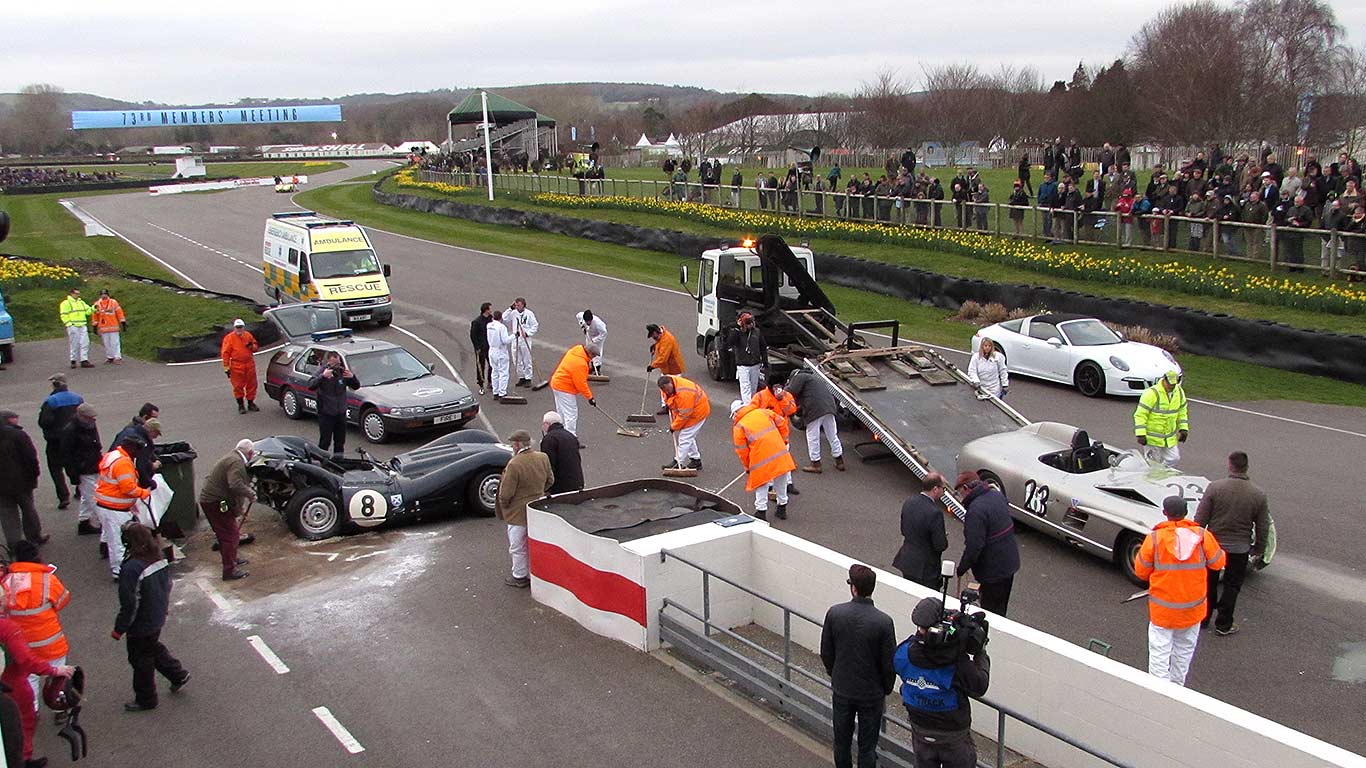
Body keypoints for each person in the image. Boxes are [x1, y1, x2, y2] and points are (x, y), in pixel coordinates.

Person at [1133, 496, 1225, 686]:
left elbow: (1141, 571)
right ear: (1186, 513)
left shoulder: (1155, 539)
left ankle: (1159, 691)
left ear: (1165, 513)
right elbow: (1218, 563)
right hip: (1193, 609)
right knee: (1184, 652)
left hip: (1163, 609)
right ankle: (1177, 688)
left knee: (1160, 652)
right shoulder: (1202, 536)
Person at [893, 596, 991, 768]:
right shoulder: (955, 661)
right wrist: (981, 654)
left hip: (920, 730)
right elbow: (979, 685)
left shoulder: (902, 653)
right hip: (953, 735)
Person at [819, 563, 896, 768]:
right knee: (867, 747)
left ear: (853, 588)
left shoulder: (835, 613)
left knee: (842, 743)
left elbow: (826, 652)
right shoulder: (884, 622)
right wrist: (885, 687)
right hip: (871, 694)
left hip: (843, 689)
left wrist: (835, 673)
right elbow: (888, 663)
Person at [113, 523, 190, 711]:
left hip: (141, 622)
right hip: (157, 614)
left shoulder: (132, 567)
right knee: (151, 647)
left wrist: (119, 628)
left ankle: (146, 699)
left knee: (140, 659)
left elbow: (130, 604)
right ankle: (177, 674)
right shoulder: (158, 556)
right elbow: (167, 585)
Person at [1194, 452, 1271, 635]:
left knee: (1209, 583)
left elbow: (1200, 519)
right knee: (1232, 586)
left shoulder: (1215, 488)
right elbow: (1263, 525)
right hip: (1240, 549)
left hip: (1214, 546)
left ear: (1230, 465)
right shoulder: (1258, 494)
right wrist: (1259, 548)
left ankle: (1204, 619)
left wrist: (1196, 543)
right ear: (1246, 467)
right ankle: (1224, 623)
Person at [1, 540, 72, 719]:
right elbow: (63, 600)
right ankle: (59, 708)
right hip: (51, 641)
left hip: (21, 644)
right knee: (58, 675)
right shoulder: (48, 580)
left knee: (29, 678)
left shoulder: (6, 581)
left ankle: (31, 711)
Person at [1, 615, 70, 765]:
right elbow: (25, 659)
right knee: (21, 722)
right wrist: (53, 670)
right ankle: (23, 759)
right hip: (13, 684)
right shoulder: (7, 628)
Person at [953, 472, 1020, 616]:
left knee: (990, 611)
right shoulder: (996, 495)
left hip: (992, 571)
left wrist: (962, 568)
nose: (960, 496)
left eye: (959, 492)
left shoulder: (976, 511)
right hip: (1009, 563)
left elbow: (974, 546)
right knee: (1001, 607)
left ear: (965, 488)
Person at [495, 430, 553, 589]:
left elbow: (506, 493)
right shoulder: (543, 457)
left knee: (517, 546)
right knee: (534, 543)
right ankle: (535, 573)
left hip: (517, 512)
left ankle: (519, 575)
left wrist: (504, 505)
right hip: (537, 507)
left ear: (516, 444)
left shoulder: (514, 464)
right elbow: (550, 480)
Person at [95, 434, 153, 579]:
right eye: (138, 450)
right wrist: (144, 493)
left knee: (111, 537)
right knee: (118, 542)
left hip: (106, 505)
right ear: (131, 448)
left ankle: (113, 560)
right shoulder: (123, 463)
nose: (139, 454)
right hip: (114, 508)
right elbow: (128, 488)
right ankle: (119, 571)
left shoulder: (113, 455)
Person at [197, 439, 256, 581]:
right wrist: (250, 493)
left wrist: (238, 510)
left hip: (216, 501)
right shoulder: (236, 462)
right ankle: (229, 570)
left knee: (229, 529)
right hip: (217, 502)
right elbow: (235, 485)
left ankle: (232, 558)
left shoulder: (232, 457)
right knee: (230, 534)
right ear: (250, 453)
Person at [731, 399, 796, 521]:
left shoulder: (739, 427)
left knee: (762, 484)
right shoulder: (764, 412)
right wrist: (784, 440)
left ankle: (761, 512)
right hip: (780, 453)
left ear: (735, 414)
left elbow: (742, 451)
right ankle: (782, 508)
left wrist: (747, 467)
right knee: (781, 480)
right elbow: (782, 423)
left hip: (761, 459)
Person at [0, 411, 45, 557]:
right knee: (28, 509)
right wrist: (34, 476)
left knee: (7, 514)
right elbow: (30, 458)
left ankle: (14, 545)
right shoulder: (18, 435)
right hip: (22, 482)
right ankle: (33, 538)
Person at [893, 473, 950, 588]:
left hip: (908, 561)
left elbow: (904, 530)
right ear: (935, 489)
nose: (944, 492)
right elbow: (940, 545)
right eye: (943, 489)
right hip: (926, 569)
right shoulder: (935, 513)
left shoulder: (909, 502)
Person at [37, 373, 83, 511]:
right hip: (74, 440)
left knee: (55, 469)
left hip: (55, 441)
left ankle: (63, 496)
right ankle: (79, 490)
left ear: (55, 384)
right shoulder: (78, 398)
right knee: (75, 465)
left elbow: (44, 422)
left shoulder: (51, 401)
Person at [786, 367, 844, 473]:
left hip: (815, 409)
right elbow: (810, 397)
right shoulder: (815, 379)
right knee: (832, 434)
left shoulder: (799, 376)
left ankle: (815, 463)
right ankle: (839, 460)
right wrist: (797, 410)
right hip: (829, 407)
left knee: (812, 436)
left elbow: (790, 391)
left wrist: (779, 395)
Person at [59, 403, 103, 537]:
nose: (93, 421)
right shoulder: (70, 430)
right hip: (83, 469)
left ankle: (84, 522)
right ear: (81, 416)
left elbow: (96, 445)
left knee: (87, 496)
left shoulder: (88, 425)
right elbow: (66, 454)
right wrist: (73, 475)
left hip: (93, 466)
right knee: (94, 497)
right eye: (90, 418)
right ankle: (104, 522)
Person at [308, 351, 359, 454]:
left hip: (341, 414)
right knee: (325, 441)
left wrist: (352, 377)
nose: (337, 366)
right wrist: (323, 376)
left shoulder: (342, 372)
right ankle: (321, 462)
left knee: (340, 441)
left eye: (338, 363)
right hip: (326, 414)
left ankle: (339, 461)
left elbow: (356, 386)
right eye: (334, 364)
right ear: (328, 363)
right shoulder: (322, 372)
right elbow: (310, 385)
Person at [1134, 370, 1188, 467]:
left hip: (1168, 437)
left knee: (1174, 458)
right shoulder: (1151, 393)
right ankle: (1152, 478)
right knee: (1152, 464)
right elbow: (1141, 414)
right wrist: (1140, 434)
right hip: (1152, 439)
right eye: (1169, 384)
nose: (1171, 387)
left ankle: (1160, 474)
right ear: (1164, 380)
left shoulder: (1179, 392)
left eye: (1173, 385)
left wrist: (1183, 429)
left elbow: (1182, 411)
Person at [659, 375, 709, 472]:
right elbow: (672, 402)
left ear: (671, 384)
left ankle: (678, 462)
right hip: (691, 410)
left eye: (669, 390)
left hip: (697, 413)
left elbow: (684, 415)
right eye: (666, 391)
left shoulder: (684, 394)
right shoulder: (667, 386)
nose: (668, 392)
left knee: (685, 437)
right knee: (689, 436)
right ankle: (695, 460)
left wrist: (674, 426)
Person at [549, 343, 597, 439]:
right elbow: (581, 384)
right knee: (571, 413)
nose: (593, 358)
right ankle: (570, 438)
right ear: (590, 353)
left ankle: (560, 435)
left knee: (561, 412)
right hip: (565, 388)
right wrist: (590, 398)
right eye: (594, 356)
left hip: (557, 383)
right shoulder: (581, 364)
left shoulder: (575, 351)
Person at [221, 318, 260, 414]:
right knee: (238, 386)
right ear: (234, 328)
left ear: (243, 327)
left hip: (249, 363)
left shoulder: (248, 335)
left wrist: (252, 346)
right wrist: (226, 368)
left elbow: (255, 347)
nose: (239, 329)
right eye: (237, 327)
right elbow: (225, 353)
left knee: (252, 384)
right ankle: (241, 405)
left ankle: (251, 403)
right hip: (236, 365)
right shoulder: (229, 338)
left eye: (241, 327)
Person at [726, 311, 767, 403]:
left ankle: (752, 403)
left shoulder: (757, 332)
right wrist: (737, 328)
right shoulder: (737, 333)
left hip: (755, 364)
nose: (751, 325)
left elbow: (763, 347)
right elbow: (730, 342)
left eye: (752, 322)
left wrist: (765, 361)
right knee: (745, 387)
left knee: (753, 387)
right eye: (748, 323)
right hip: (743, 365)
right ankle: (748, 406)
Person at [539, 412, 583, 494]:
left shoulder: (549, 439)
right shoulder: (571, 436)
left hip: (560, 485)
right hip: (576, 481)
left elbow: (549, 465)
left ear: (547, 424)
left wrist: (547, 487)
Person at [646, 323, 685, 412]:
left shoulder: (667, 340)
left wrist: (652, 366)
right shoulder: (661, 336)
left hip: (674, 368)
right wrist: (655, 346)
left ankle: (677, 405)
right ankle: (666, 406)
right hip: (666, 368)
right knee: (663, 386)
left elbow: (663, 358)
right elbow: (659, 342)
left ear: (658, 332)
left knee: (676, 387)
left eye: (654, 337)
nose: (654, 339)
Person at [505, 298, 539, 388]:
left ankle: (528, 378)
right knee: (516, 359)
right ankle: (521, 377)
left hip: (525, 339)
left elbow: (535, 325)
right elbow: (504, 318)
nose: (517, 307)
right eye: (516, 305)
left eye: (518, 305)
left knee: (526, 359)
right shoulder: (513, 313)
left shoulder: (529, 314)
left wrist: (528, 333)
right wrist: (510, 308)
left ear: (523, 305)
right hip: (515, 338)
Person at [58, 287, 95, 369]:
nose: (78, 295)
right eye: (76, 293)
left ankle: (84, 360)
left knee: (85, 342)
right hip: (73, 325)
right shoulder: (66, 303)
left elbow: (88, 311)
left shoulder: (81, 302)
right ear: (71, 294)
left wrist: (93, 308)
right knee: (74, 343)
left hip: (82, 325)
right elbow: (63, 314)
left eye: (78, 293)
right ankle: (73, 360)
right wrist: (69, 324)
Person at [91, 288, 127, 364]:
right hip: (103, 327)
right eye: (102, 294)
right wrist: (94, 326)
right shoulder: (97, 304)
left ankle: (117, 357)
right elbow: (95, 316)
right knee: (106, 343)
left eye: (105, 294)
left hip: (113, 326)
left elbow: (119, 312)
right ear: (100, 295)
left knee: (115, 343)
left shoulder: (113, 302)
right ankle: (110, 357)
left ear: (108, 295)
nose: (104, 295)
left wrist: (123, 322)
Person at [469, 302, 493, 396]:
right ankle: (481, 385)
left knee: (492, 364)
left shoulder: (491, 319)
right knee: (480, 366)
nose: (491, 310)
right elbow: (473, 336)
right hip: (481, 348)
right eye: (490, 308)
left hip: (489, 346)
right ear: (486, 310)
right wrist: (477, 347)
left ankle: (490, 381)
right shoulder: (477, 322)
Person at [577, 309, 608, 375]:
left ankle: (597, 368)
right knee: (588, 350)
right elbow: (578, 316)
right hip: (589, 335)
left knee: (597, 351)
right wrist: (582, 326)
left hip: (598, 336)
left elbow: (604, 333)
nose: (588, 323)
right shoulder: (581, 316)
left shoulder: (598, 324)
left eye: (589, 322)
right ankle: (590, 366)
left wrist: (594, 341)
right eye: (587, 322)